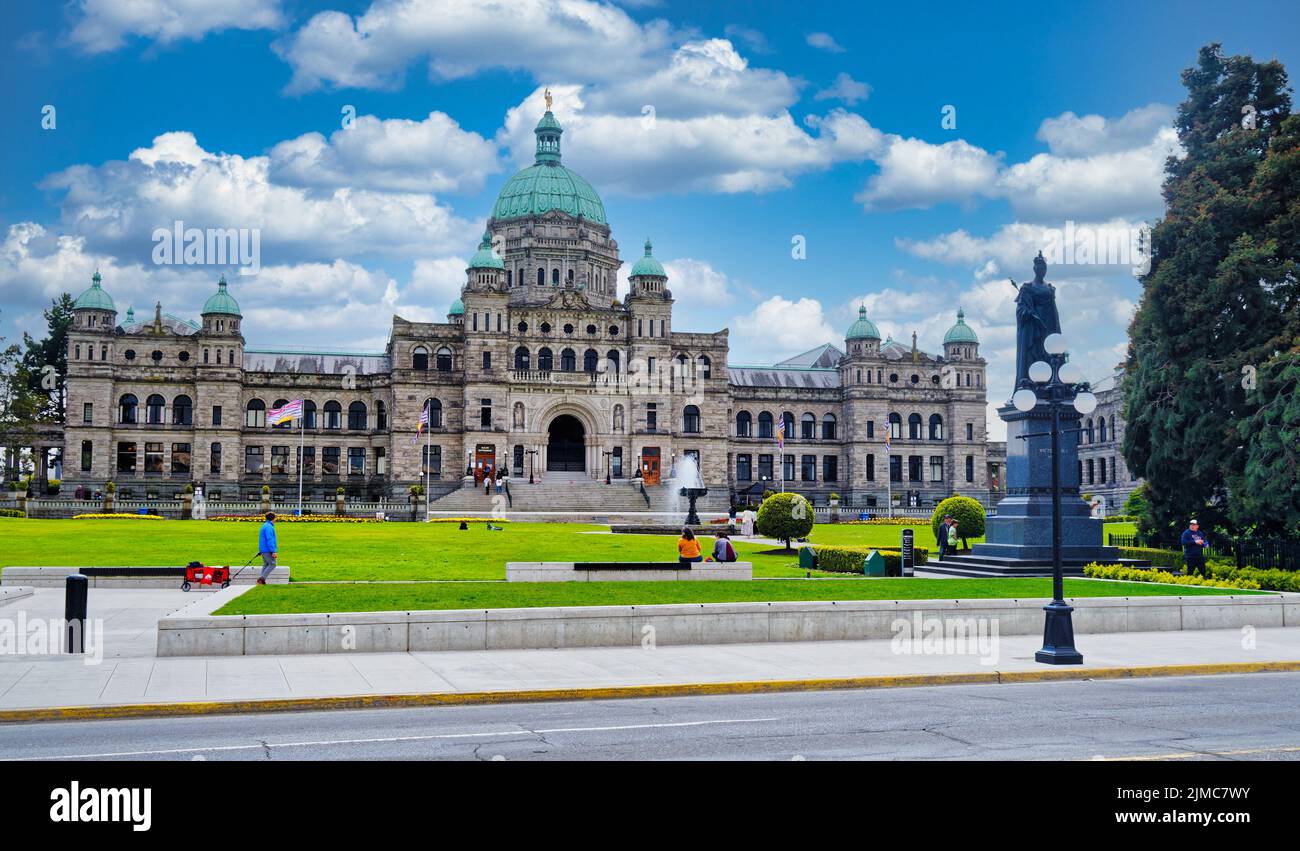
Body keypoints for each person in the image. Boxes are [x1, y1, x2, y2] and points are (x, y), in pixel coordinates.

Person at [257, 511, 278, 585]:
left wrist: (260, 550)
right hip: (268, 549)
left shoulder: (265, 525)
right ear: (273, 518)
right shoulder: (269, 527)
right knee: (273, 564)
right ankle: (261, 579)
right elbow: (270, 539)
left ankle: (261, 581)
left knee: (266, 564)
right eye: (275, 518)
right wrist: (273, 551)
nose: (276, 519)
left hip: (263, 549)